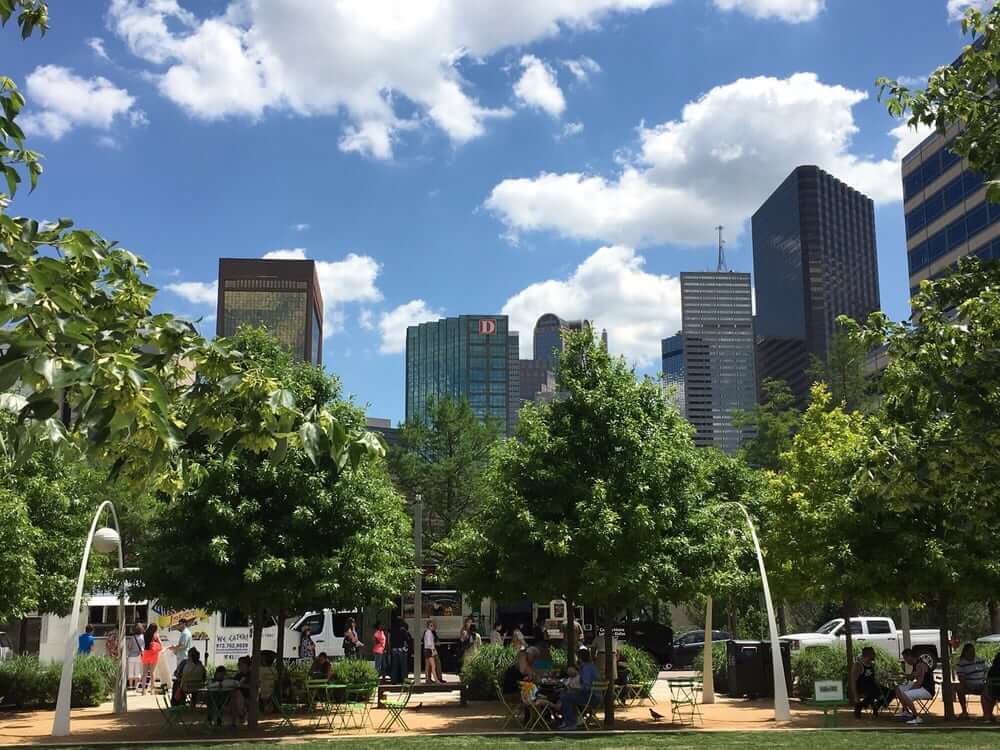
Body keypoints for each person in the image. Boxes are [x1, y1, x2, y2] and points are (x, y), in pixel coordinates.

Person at [559, 647, 599, 729]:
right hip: (596, 695)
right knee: (568, 695)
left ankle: (571, 723)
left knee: (565, 697)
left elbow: (586, 687)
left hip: (592, 697)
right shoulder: (592, 667)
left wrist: (573, 688)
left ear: (580, 658)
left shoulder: (586, 669)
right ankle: (574, 720)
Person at [895, 648, 935, 725]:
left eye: (905, 658)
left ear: (910, 656)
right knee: (898, 688)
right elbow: (912, 678)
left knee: (906, 694)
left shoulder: (920, 665)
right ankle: (906, 711)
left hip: (927, 690)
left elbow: (919, 682)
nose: (905, 661)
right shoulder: (915, 664)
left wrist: (909, 691)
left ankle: (916, 717)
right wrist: (903, 674)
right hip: (921, 687)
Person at [955, 643, 989, 718]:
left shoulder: (980, 660)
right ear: (965, 653)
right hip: (969, 685)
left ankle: (987, 713)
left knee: (989, 689)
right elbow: (961, 678)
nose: (972, 654)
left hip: (982, 684)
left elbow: (987, 671)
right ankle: (964, 712)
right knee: (959, 688)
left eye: (973, 651)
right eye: (970, 652)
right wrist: (966, 684)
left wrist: (985, 678)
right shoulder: (961, 663)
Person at [851, 646, 884, 718]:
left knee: (890, 692)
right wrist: (855, 695)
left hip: (872, 686)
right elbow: (853, 681)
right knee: (874, 691)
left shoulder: (872, 664)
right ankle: (860, 706)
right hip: (861, 687)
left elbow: (873, 678)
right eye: (873, 653)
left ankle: (875, 706)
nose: (875, 655)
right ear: (868, 654)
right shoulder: (858, 665)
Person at [140, 624, 163, 694]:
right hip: (153, 654)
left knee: (144, 673)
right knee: (152, 672)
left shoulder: (145, 634)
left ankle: (143, 690)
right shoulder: (156, 635)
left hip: (146, 653)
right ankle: (152, 690)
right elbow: (161, 644)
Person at [388, 618, 410, 684]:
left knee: (394, 665)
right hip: (401, 649)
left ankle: (394, 680)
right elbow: (407, 638)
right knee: (403, 666)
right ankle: (405, 680)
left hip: (394, 649)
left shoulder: (392, 630)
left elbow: (390, 640)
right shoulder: (403, 630)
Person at [422, 619, 441, 684]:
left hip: (426, 650)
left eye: (432, 625)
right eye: (431, 625)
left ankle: (427, 679)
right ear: (428, 626)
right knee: (433, 665)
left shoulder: (427, 632)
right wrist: (433, 650)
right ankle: (436, 680)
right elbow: (430, 643)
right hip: (429, 650)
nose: (432, 626)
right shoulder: (429, 633)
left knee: (427, 666)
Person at [126, 624, 144, 691]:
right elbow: (144, 648)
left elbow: (129, 647)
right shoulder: (143, 637)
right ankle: (136, 686)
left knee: (131, 671)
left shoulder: (132, 637)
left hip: (131, 656)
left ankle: (130, 686)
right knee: (137, 671)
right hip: (139, 656)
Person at [984, 652, 1000, 723]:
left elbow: (988, 682)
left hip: (993, 694)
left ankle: (988, 716)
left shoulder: (992, 670)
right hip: (996, 693)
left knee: (987, 695)